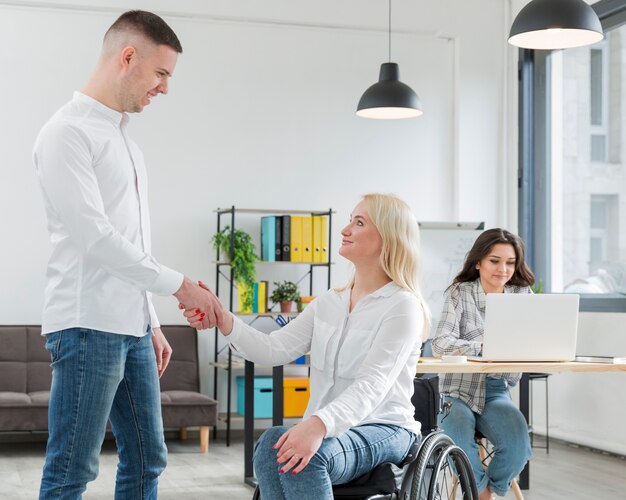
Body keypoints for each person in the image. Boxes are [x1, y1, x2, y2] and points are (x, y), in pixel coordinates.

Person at [33, 10, 222, 499]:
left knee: (148, 459)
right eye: (161, 73)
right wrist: (180, 285)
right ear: (128, 57)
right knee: (72, 469)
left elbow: (133, 243)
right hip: (87, 325)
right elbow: (95, 238)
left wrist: (152, 321)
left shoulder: (126, 143)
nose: (164, 88)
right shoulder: (66, 133)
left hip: (131, 327)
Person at [184, 193, 430, 500]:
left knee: (308, 456)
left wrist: (318, 425)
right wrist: (223, 319)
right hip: (329, 427)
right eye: (349, 220)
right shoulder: (330, 302)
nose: (345, 230)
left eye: (359, 222)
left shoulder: (402, 306)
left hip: (385, 427)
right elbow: (273, 349)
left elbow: (372, 384)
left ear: (388, 238)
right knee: (271, 444)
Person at [431, 228, 535, 500]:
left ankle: (487, 491)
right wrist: (485, 348)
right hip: (456, 391)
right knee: (459, 439)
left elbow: (532, 340)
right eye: (494, 260)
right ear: (478, 262)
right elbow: (440, 343)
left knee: (518, 445)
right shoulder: (459, 292)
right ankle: (479, 493)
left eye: (510, 262)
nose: (503, 269)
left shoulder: (522, 295)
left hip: (496, 389)